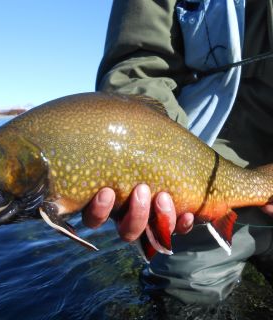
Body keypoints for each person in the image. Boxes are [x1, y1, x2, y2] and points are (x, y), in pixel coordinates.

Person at [83, 0, 273, 304]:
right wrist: (151, 160)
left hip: (212, 186)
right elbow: (137, 67)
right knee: (179, 302)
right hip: (196, 184)